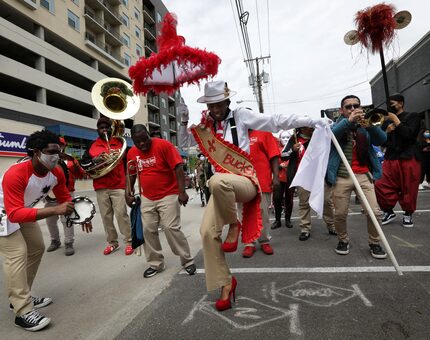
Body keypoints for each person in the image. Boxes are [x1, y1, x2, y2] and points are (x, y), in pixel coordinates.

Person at [178, 80, 328, 311]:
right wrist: (184, 121)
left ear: (227, 101)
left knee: (217, 181)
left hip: (246, 182)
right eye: (211, 105)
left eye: (219, 104)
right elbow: (185, 142)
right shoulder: (206, 125)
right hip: (222, 189)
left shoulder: (241, 116)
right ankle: (226, 283)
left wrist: (310, 121)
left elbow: (275, 121)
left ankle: (234, 225)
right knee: (207, 233)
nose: (215, 110)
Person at [0, 129, 92, 331]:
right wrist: (55, 211)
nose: (56, 156)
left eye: (58, 152)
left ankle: (19, 295)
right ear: (35, 152)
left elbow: (64, 198)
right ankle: (22, 311)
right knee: (17, 253)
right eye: (51, 152)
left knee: (36, 249)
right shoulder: (15, 174)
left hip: (20, 209)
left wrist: (80, 215)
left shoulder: (56, 172)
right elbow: (14, 214)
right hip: (4, 212)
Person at [125, 124, 196, 278]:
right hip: (147, 197)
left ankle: (187, 260)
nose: (142, 144)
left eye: (144, 140)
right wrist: (127, 193)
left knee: (171, 228)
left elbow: (178, 168)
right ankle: (156, 264)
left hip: (168, 194)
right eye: (138, 142)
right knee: (148, 230)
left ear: (148, 135)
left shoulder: (164, 145)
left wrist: (182, 191)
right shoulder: (131, 153)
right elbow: (130, 174)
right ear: (133, 141)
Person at [326, 95, 387, 258]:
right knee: (339, 214)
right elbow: (330, 138)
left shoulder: (364, 124)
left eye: (356, 105)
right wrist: (349, 121)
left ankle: (375, 243)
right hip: (341, 176)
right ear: (341, 110)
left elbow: (382, 139)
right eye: (348, 106)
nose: (353, 109)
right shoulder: (336, 124)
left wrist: (368, 125)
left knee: (374, 212)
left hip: (363, 174)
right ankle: (343, 240)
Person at [81, 117, 133, 255]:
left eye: (106, 127)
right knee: (106, 216)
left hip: (118, 185)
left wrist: (129, 187)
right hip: (101, 186)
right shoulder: (92, 145)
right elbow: (84, 164)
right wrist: (94, 160)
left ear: (111, 129)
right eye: (101, 128)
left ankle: (129, 240)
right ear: (97, 130)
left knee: (121, 214)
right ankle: (112, 242)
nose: (104, 129)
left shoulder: (120, 143)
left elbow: (127, 166)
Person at [375, 93, 422, 228]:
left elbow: (409, 135)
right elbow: (382, 142)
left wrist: (395, 119)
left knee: (409, 187)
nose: (390, 106)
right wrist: (387, 132)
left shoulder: (413, 116)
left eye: (393, 103)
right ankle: (388, 211)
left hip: (408, 156)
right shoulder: (386, 122)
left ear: (401, 103)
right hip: (391, 157)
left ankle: (408, 213)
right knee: (380, 184)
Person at [44, 137, 86, 256]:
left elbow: (81, 175)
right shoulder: (47, 158)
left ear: (63, 146)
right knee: (50, 220)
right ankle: (55, 240)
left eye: (60, 145)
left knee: (67, 219)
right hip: (51, 195)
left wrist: (76, 165)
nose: (59, 148)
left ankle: (68, 242)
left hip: (67, 192)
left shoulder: (69, 159)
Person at [294, 127, 336, 241]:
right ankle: (305, 229)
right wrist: (293, 150)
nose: (311, 128)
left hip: (321, 174)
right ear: (302, 128)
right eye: (308, 126)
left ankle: (332, 225)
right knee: (304, 203)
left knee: (327, 201)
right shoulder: (294, 138)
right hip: (303, 176)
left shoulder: (320, 136)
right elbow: (284, 154)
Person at [242, 130, 280, 258]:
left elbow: (274, 155)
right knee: (245, 213)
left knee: (263, 213)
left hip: (262, 181)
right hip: (243, 182)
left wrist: (276, 177)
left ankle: (264, 240)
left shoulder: (264, 133)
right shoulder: (236, 134)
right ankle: (249, 243)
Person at [271, 130, 296, 229]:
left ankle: (288, 219)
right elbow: (273, 162)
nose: (285, 139)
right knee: (277, 199)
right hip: (279, 178)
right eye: (283, 137)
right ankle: (277, 220)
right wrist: (280, 166)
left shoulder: (294, 149)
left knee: (289, 199)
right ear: (279, 139)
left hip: (290, 178)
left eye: (287, 137)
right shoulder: (276, 149)